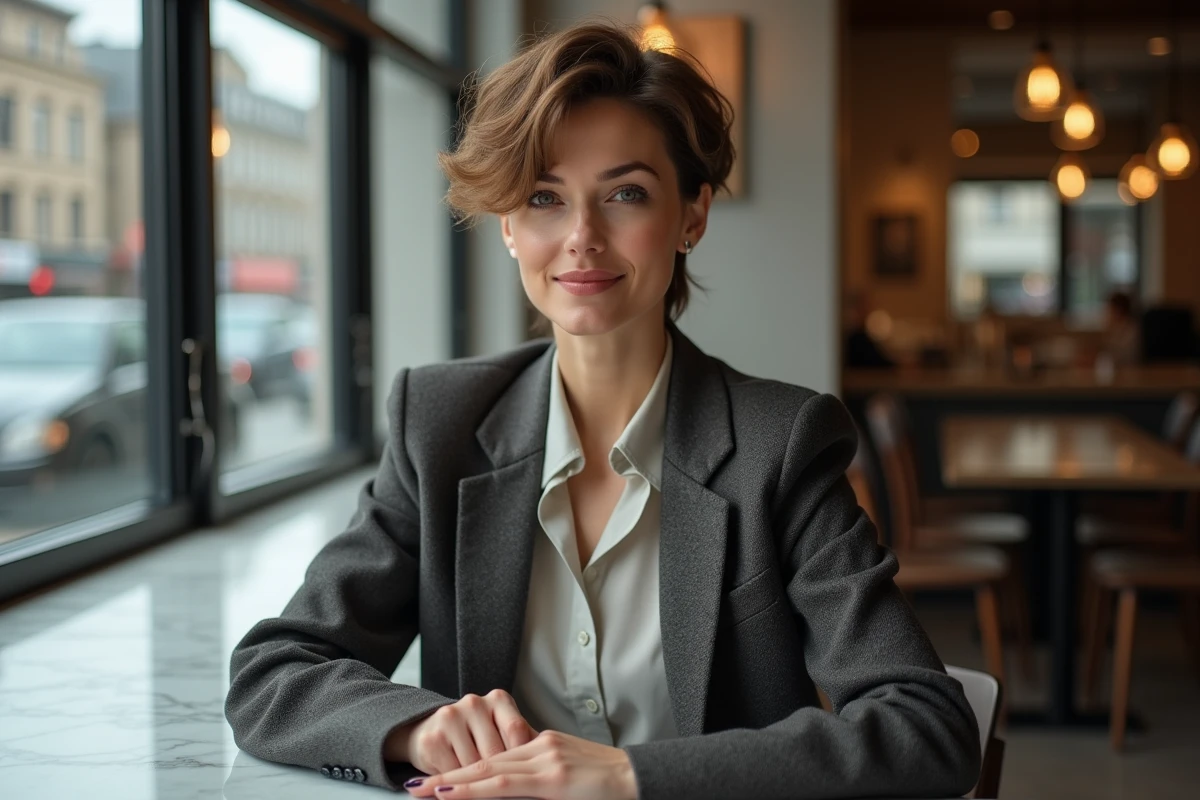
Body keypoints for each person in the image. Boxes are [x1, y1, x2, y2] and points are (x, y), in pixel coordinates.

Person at [224, 21, 979, 800]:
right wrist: (413, 726)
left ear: (692, 216)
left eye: (625, 194)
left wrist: (629, 777)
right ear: (510, 228)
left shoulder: (778, 445)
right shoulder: (439, 425)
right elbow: (273, 672)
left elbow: (926, 724)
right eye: (545, 198)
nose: (582, 238)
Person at [843, 291, 895, 369]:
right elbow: (876, 361)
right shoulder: (856, 339)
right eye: (863, 307)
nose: (867, 310)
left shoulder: (863, 335)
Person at [1103, 290, 1141, 367]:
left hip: (1131, 370)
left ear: (1118, 310)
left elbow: (1125, 357)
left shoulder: (1131, 329)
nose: (1108, 313)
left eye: (1110, 309)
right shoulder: (1115, 328)